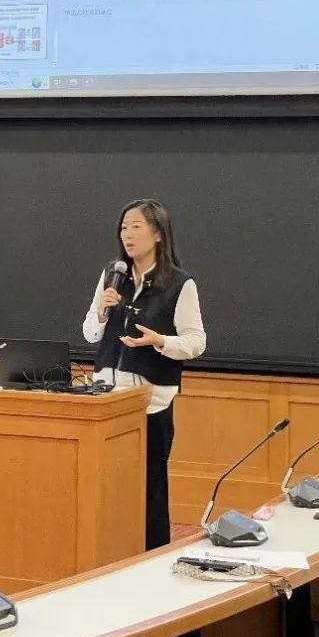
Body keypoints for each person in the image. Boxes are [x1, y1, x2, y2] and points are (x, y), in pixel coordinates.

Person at [82, 199, 206, 551]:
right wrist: (102, 312)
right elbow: (90, 334)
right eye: (124, 228)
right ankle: (110, 555)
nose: (128, 234)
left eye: (136, 226)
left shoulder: (179, 283)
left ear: (158, 234)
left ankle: (152, 556)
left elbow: (196, 341)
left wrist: (160, 341)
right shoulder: (112, 276)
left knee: (150, 491)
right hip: (107, 401)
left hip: (151, 405)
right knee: (107, 488)